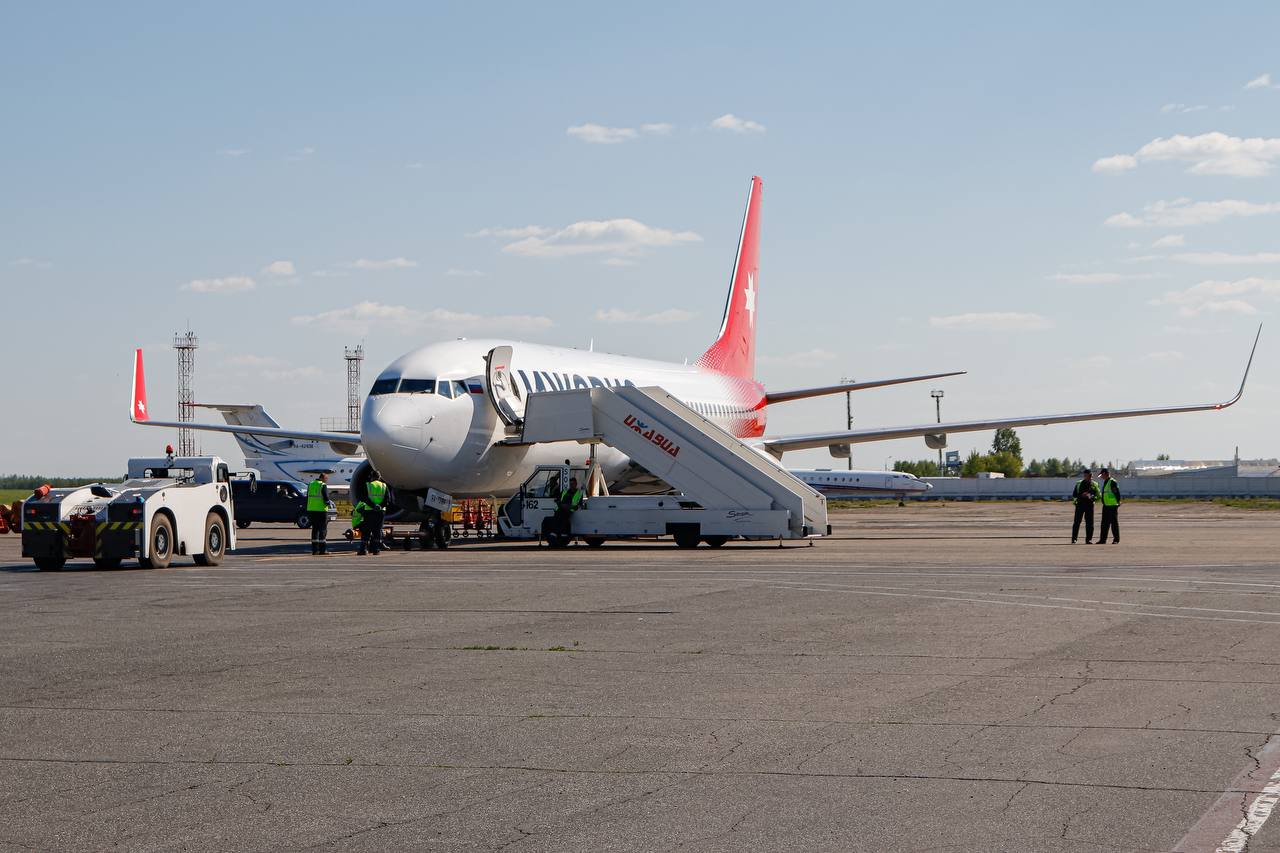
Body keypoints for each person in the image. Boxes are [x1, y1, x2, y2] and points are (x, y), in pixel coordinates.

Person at [356, 472, 388, 556]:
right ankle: (376, 550)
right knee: (377, 530)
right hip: (380, 512)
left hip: (369, 511)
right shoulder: (384, 486)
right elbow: (387, 499)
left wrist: (373, 505)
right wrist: (380, 506)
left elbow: (364, 498)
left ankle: (363, 550)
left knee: (366, 531)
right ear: (379, 477)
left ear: (372, 477)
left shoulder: (368, 485)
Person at [1071, 469, 1100, 544]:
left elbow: (1098, 496)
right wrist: (1081, 495)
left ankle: (1089, 539)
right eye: (1088, 475)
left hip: (1090, 506)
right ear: (1084, 475)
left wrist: (1092, 497)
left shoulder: (1094, 484)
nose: (1090, 477)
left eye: (1091, 475)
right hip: (1080, 505)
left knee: (1090, 523)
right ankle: (1074, 539)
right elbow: (1074, 495)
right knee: (1077, 522)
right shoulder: (1079, 483)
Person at [307, 472, 330, 555]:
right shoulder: (322, 485)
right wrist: (328, 503)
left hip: (311, 510)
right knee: (322, 530)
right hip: (321, 510)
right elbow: (326, 498)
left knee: (315, 529)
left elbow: (308, 496)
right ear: (323, 478)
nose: (327, 480)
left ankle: (314, 550)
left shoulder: (311, 484)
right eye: (326, 479)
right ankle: (322, 550)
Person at [1096, 467, 1121, 544]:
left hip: (1112, 506)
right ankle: (1103, 540)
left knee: (1114, 524)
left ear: (1104, 474)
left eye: (1101, 475)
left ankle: (1116, 539)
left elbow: (1117, 493)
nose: (1101, 477)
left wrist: (1118, 502)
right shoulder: (1106, 481)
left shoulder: (1112, 482)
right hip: (1106, 506)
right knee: (1104, 524)